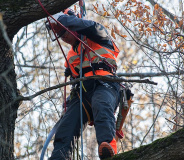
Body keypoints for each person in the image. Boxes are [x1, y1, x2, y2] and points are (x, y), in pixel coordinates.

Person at [46, 9, 121, 160]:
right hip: (83, 93)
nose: (64, 37)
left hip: (105, 84)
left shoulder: (98, 34)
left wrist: (62, 18)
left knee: (101, 104)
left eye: (65, 32)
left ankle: (107, 148)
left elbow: (90, 26)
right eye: (60, 35)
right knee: (65, 127)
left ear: (73, 24)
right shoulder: (71, 56)